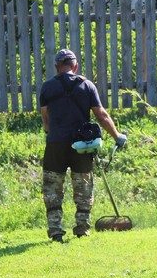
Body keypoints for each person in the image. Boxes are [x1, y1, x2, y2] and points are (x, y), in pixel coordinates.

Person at [39, 49, 127, 242]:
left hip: (55, 145)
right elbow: (101, 115)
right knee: (83, 186)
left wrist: (50, 132)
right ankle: (82, 228)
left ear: (56, 67)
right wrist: (117, 136)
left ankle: (55, 231)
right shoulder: (87, 85)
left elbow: (46, 117)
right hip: (82, 145)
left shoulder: (47, 87)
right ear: (75, 66)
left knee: (53, 188)